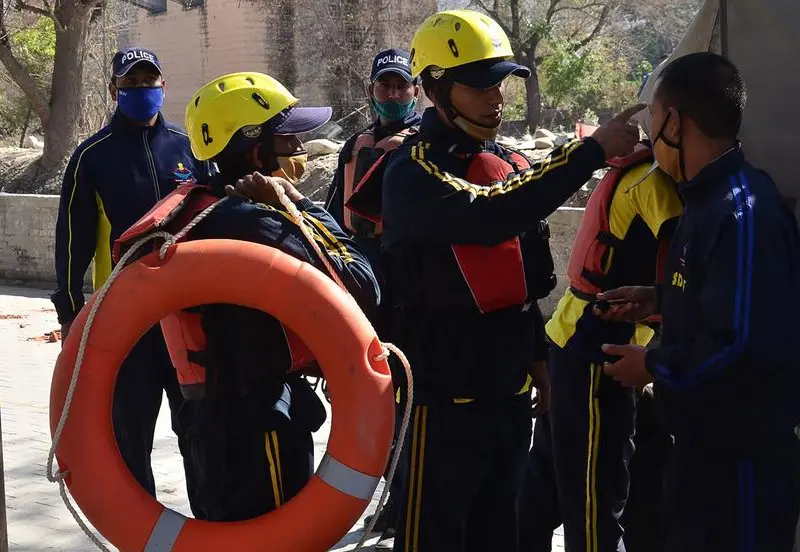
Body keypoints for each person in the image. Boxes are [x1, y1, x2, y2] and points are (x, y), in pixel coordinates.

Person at [364, 9, 643, 551]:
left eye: (501, 84)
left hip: (508, 397)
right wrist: (589, 151)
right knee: (434, 538)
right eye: (481, 84)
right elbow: (488, 215)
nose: (497, 97)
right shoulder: (412, 172)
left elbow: (522, 283)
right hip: (440, 404)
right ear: (437, 87)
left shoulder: (505, 162)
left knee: (506, 536)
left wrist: (538, 365)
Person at [114, 71, 380, 521]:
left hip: (208, 421)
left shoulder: (198, 208)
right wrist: (300, 207)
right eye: (288, 138)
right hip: (259, 423)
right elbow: (362, 285)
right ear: (255, 148)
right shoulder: (253, 222)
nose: (300, 149)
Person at [598, 52, 800, 552]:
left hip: (743, 461)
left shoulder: (743, 210)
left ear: (673, 121)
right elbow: (722, 296)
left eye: (652, 116)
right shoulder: (702, 200)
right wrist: (660, 298)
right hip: (699, 451)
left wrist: (653, 365)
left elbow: (744, 343)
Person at [518, 109, 683, 550]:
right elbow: (690, 252)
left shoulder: (639, 173)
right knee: (595, 493)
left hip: (569, 335)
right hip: (599, 347)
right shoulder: (653, 182)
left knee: (552, 478)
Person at [51, 46, 207, 510]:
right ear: (114, 90)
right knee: (129, 437)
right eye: (131, 83)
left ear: (164, 86)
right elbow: (71, 242)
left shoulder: (187, 148)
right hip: (126, 321)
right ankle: (142, 536)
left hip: (185, 317)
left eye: (149, 81)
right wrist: (70, 316)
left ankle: (209, 524)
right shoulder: (92, 157)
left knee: (199, 430)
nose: (142, 90)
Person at [324, 47, 421, 539]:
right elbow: (329, 221)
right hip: (364, 295)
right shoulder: (353, 147)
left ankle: (407, 502)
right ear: (372, 92)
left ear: (416, 91)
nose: (394, 94)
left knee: (408, 409)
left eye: (402, 86)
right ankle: (387, 496)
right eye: (385, 86)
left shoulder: (425, 145)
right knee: (371, 407)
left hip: (410, 299)